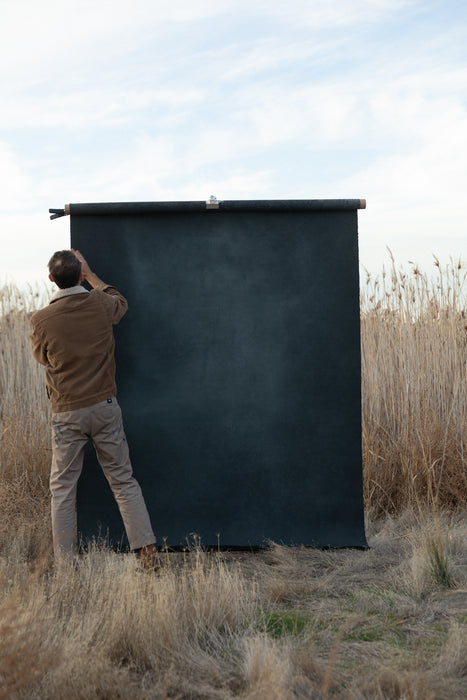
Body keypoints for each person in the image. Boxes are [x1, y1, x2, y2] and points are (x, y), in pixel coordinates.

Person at [30, 249, 159, 568]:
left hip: (66, 412)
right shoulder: (101, 303)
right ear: (80, 274)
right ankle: (147, 554)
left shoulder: (41, 319)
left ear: (50, 279)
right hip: (105, 408)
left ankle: (66, 566)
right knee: (123, 481)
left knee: (61, 488)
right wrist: (92, 276)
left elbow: (41, 358)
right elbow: (120, 301)